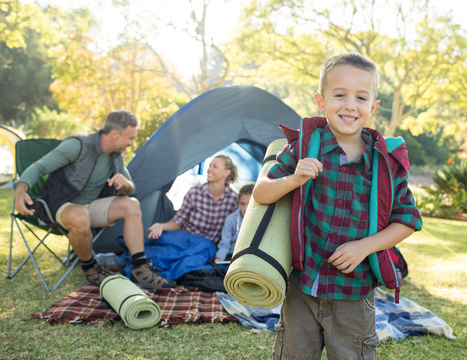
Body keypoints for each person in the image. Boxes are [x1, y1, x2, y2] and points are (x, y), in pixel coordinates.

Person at [252, 53, 423, 359]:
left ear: (373, 106)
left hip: (354, 294)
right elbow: (261, 193)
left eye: (361, 97)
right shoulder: (303, 148)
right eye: (340, 94)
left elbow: (407, 219)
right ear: (321, 101)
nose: (350, 105)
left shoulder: (385, 163)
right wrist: (294, 179)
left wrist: (364, 247)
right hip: (302, 288)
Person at [14, 110, 175, 289]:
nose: (131, 144)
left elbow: (132, 190)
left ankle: (140, 269)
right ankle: (91, 268)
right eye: (130, 138)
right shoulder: (77, 146)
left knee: (131, 205)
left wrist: (125, 184)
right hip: (62, 205)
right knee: (81, 215)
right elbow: (40, 167)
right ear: (115, 134)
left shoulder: (116, 157)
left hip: (91, 207)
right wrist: (21, 189)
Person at [147, 155, 239, 244]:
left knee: (191, 258)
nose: (209, 169)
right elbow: (178, 221)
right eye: (210, 165)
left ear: (226, 172)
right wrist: (161, 226)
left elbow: (235, 228)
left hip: (205, 245)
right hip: (184, 238)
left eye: (215, 167)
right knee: (154, 243)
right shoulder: (195, 192)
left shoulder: (233, 199)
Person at [214, 184, 254, 263]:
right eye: (242, 204)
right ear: (238, 203)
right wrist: (219, 258)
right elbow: (225, 244)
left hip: (250, 257)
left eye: (250, 204)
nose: (246, 208)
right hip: (231, 256)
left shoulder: (259, 220)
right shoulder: (231, 219)